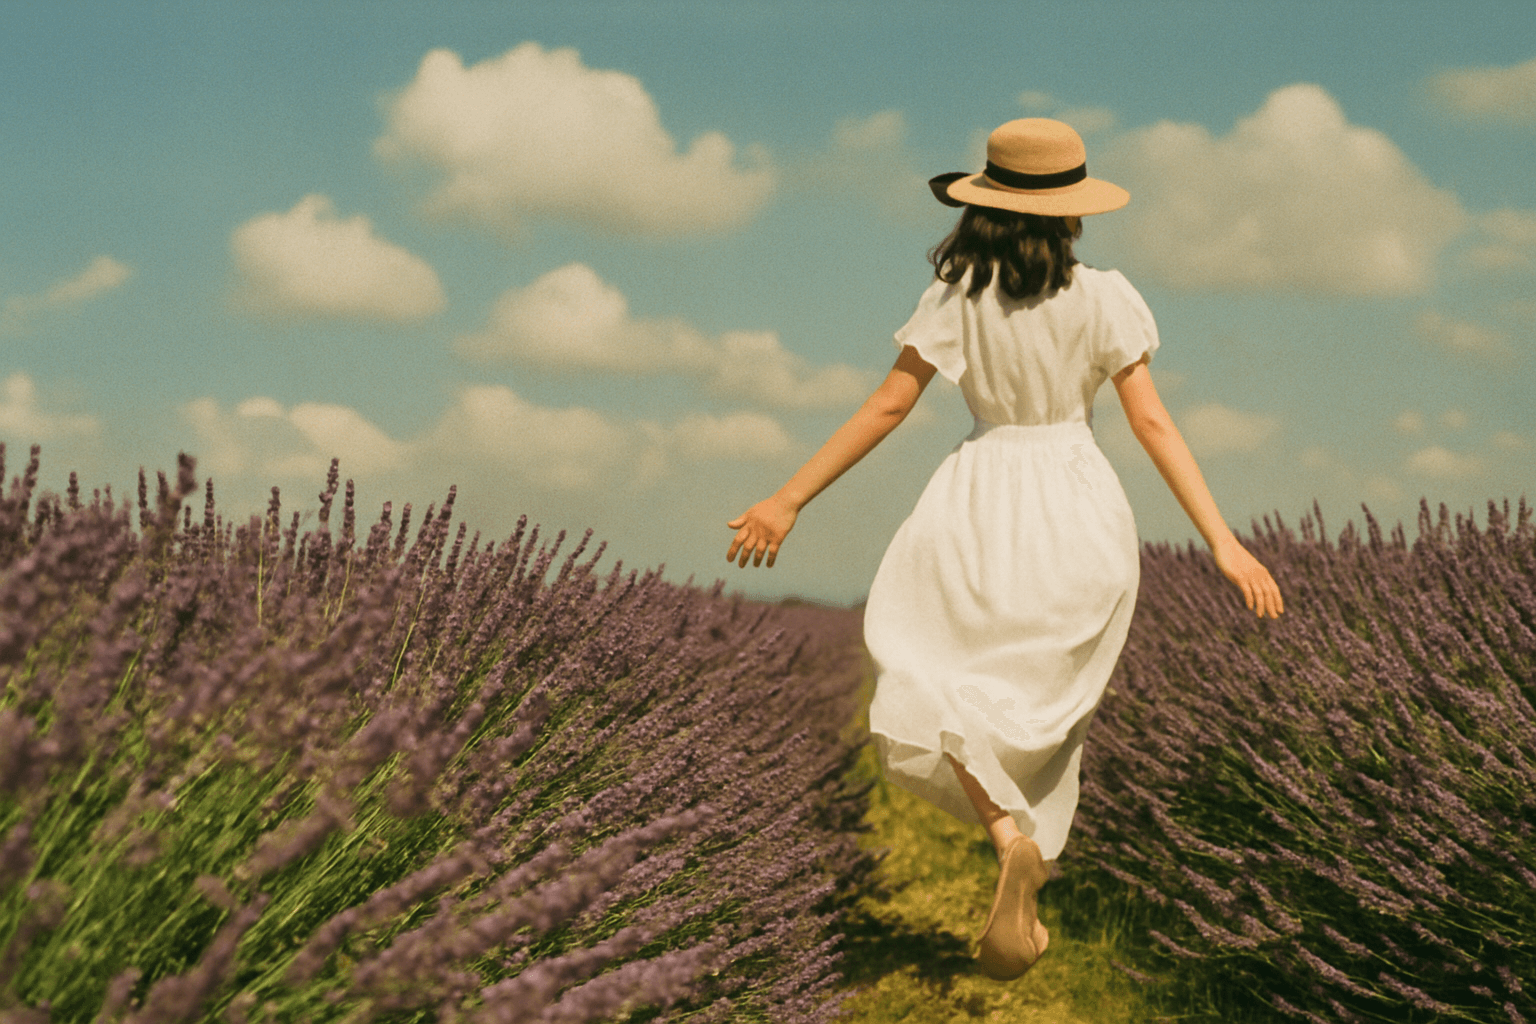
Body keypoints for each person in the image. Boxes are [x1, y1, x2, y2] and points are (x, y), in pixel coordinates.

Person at [725, 118, 1283, 981]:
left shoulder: (956, 300)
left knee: (927, 675)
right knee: (1038, 699)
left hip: (977, 501)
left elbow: (886, 407)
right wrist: (1224, 542)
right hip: (1079, 508)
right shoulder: (1106, 296)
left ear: (983, 206)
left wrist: (786, 498)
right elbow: (1151, 422)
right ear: (1072, 214)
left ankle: (1005, 835)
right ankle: (1028, 848)